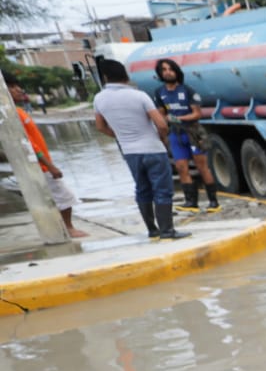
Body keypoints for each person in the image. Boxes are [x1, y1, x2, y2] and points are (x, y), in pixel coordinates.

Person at [93, 58, 189, 241]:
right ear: (126, 76)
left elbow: (100, 126)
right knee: (162, 190)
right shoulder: (139, 96)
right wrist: (163, 139)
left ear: (105, 77)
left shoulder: (99, 99)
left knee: (142, 189)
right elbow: (161, 123)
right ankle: (167, 230)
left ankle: (152, 230)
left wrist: (121, 136)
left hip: (129, 152)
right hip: (152, 148)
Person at [5, 72, 87, 239]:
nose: (19, 90)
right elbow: (28, 143)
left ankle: (62, 228)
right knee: (65, 196)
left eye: (17, 86)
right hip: (40, 164)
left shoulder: (18, 111)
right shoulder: (13, 115)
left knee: (56, 197)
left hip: (40, 163)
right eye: (12, 87)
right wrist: (49, 165)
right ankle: (68, 228)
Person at [153, 58, 221, 212]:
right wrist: (163, 132)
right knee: (182, 167)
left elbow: (196, 114)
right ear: (160, 73)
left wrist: (178, 118)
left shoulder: (187, 90)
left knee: (202, 166)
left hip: (193, 133)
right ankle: (191, 202)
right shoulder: (159, 93)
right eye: (164, 70)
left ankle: (213, 202)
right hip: (175, 135)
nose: (168, 72)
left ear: (176, 71)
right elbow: (161, 115)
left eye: (170, 69)